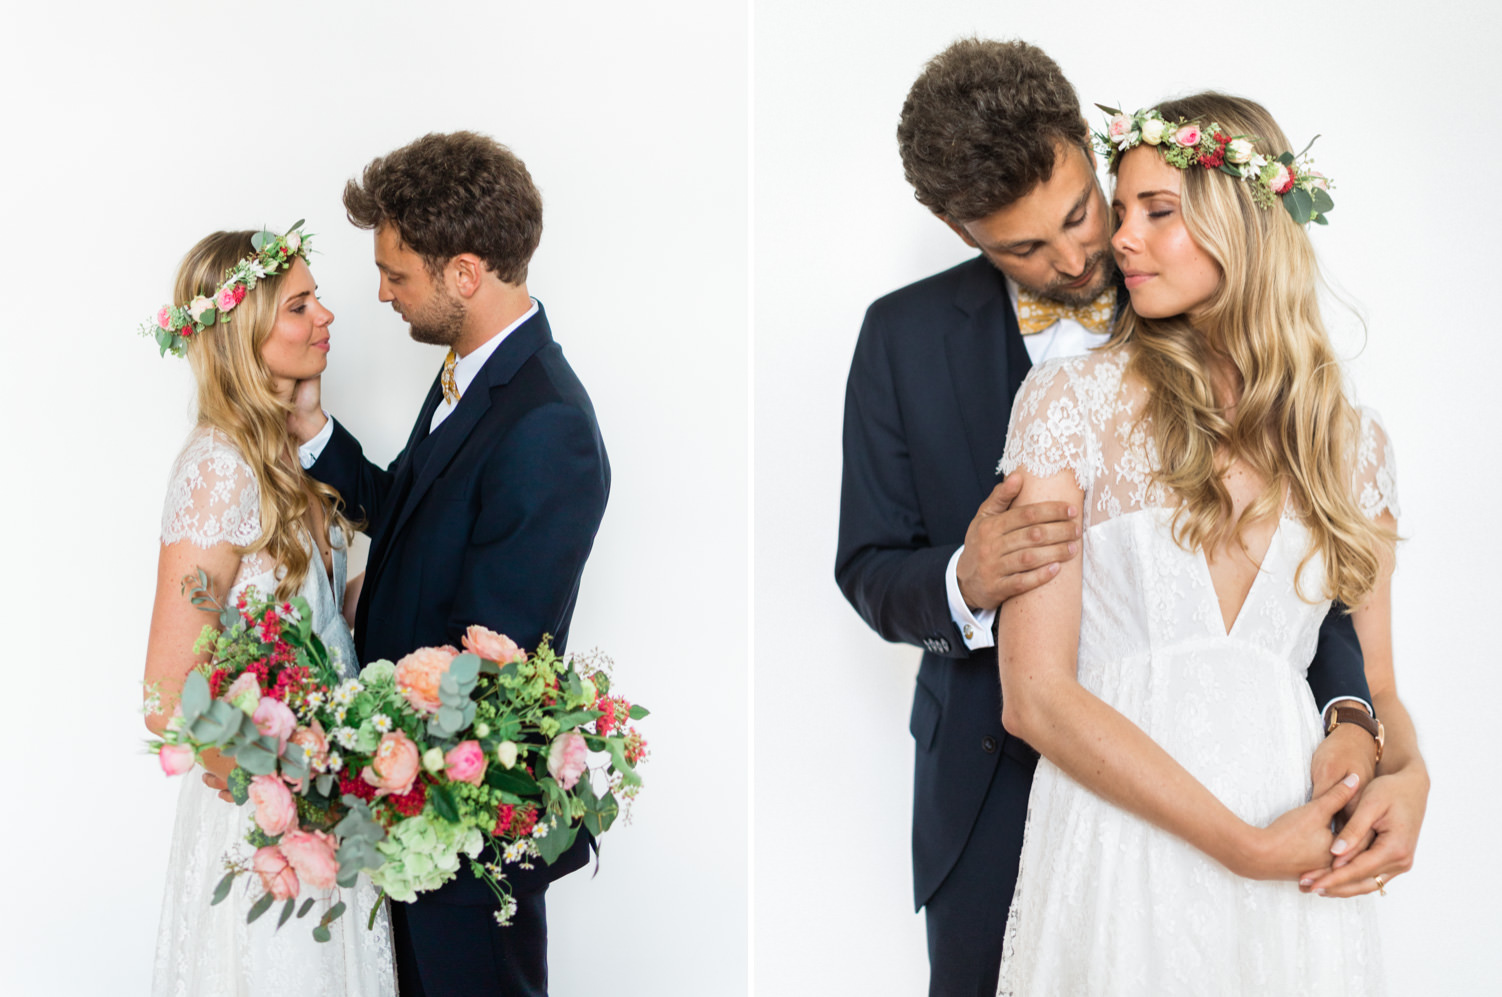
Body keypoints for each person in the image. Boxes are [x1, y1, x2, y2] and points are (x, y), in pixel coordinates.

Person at [834, 40, 1419, 997]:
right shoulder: (903, 339)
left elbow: (1321, 602)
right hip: (992, 775)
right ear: (953, 225)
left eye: (1081, 214)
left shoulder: (1296, 401)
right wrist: (963, 578)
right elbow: (867, 562)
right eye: (1023, 247)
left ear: (1087, 153)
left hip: (1258, 772)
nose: (1077, 258)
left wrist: (1363, 728)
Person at [992, 92, 1427, 995]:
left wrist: (1410, 776)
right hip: (1122, 843)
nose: (1121, 238)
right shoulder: (1070, 406)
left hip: (1300, 853)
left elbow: (1377, 686)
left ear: (1247, 224)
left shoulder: (1353, 444)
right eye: (1126, 209)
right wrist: (1243, 846)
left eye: (1160, 211)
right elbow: (1034, 695)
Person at [286, 131, 610, 997]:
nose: (382, 293)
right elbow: (416, 516)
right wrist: (313, 431)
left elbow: (486, 662)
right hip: (409, 810)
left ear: (465, 272)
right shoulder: (470, 373)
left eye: (397, 274)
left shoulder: (548, 424)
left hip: (462, 823)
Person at [143, 226, 397, 996]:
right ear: (247, 332)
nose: (326, 315)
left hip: (335, 809)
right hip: (264, 824)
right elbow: (164, 696)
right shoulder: (218, 471)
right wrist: (286, 795)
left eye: (316, 297)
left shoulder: (299, 462)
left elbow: (323, 631)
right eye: (299, 305)